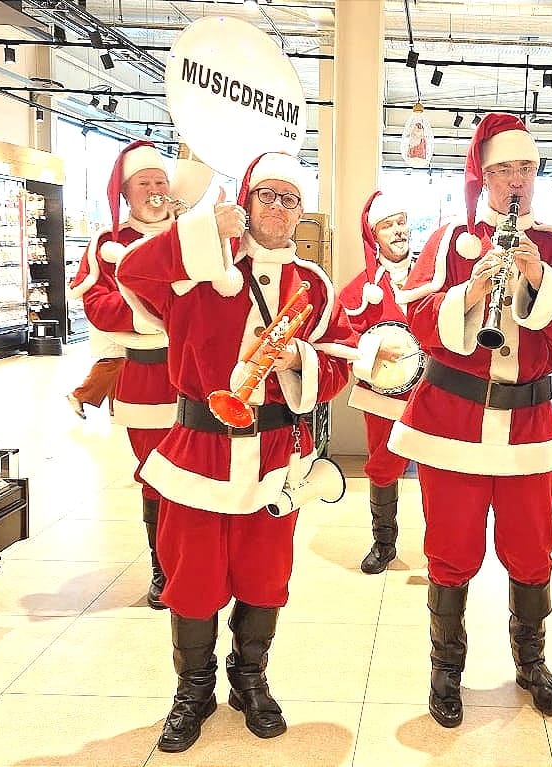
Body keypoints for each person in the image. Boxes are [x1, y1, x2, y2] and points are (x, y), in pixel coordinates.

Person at [117, 151, 354, 753]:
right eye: (266, 195)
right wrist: (199, 229)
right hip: (200, 449)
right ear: (245, 201)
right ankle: (191, 692)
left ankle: (249, 679)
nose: (277, 207)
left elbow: (340, 365)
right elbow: (133, 274)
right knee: (192, 577)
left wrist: (302, 360)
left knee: (266, 576)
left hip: (277, 454)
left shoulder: (316, 285)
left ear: (302, 212)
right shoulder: (200, 266)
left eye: (289, 198)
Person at [389, 113, 552, 728]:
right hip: (451, 422)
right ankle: (446, 668)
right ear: (483, 174)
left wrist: (538, 277)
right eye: (503, 168)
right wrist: (471, 291)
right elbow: (419, 321)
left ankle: (530, 662)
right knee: (450, 552)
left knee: (533, 551)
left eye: (525, 168)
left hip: (528, 426)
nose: (515, 180)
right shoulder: (450, 236)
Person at [67, 140, 179, 609]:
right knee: (155, 474)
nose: (154, 191)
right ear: (127, 193)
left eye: (160, 182)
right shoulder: (107, 245)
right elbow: (98, 305)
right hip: (144, 377)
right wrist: (159, 312)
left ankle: (194, 563)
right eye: (144, 184)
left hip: (197, 376)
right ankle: (162, 569)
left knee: (201, 472)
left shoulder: (197, 235)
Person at [338, 191, 417, 574]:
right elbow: (342, 335)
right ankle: (384, 542)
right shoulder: (361, 289)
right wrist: (373, 351)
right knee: (383, 467)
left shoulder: (432, 277)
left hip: (432, 395)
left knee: (438, 469)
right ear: (374, 236)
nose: (398, 231)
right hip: (382, 395)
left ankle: (442, 546)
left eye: (401, 221)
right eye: (388, 225)